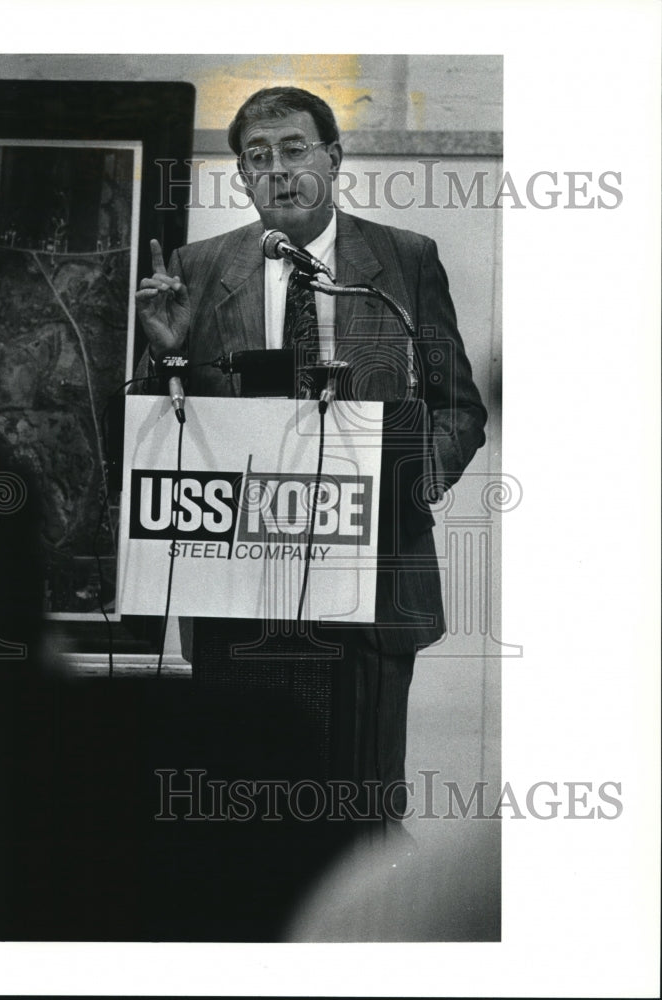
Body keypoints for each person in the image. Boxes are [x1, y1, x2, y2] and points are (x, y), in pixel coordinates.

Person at [135, 87, 487, 820]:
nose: (277, 171)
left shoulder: (402, 260)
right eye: (255, 158)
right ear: (239, 178)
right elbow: (158, 429)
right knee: (236, 809)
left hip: (371, 577)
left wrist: (409, 484)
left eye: (294, 150)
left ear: (332, 157)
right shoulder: (199, 269)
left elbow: (458, 406)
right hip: (236, 589)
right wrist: (163, 361)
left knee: (359, 812)